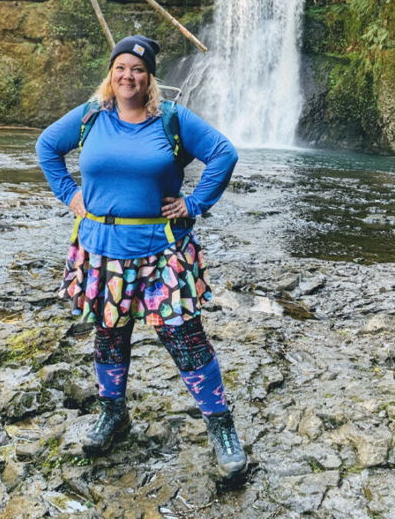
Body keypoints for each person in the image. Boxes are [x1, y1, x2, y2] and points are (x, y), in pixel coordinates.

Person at [35, 35, 247, 479]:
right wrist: (69, 193)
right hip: (101, 251)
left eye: (138, 69)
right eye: (121, 68)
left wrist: (195, 202)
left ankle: (221, 426)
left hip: (161, 249)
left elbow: (223, 154)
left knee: (184, 337)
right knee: (110, 336)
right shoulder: (90, 117)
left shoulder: (171, 119)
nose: (128, 76)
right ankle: (113, 414)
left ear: (149, 77)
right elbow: (46, 147)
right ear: (110, 74)